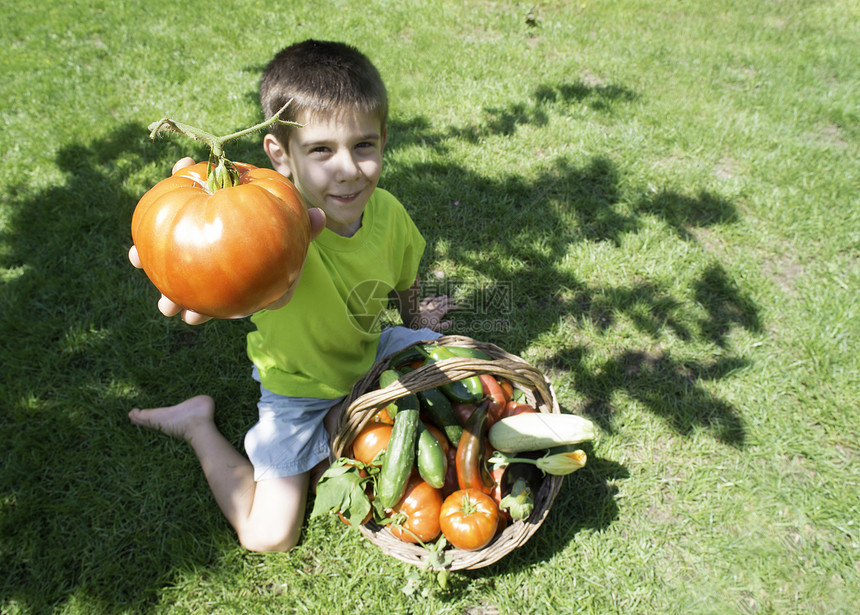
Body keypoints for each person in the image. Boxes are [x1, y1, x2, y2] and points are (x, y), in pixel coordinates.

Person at [127, 40, 455, 552]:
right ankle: (195, 423)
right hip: (298, 390)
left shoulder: (390, 214)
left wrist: (419, 324)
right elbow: (239, 269)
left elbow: (405, 277)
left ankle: (340, 427)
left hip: (370, 353)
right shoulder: (275, 227)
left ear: (384, 140)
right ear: (280, 154)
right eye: (321, 150)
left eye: (364, 145)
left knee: (463, 377)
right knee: (268, 536)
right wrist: (189, 245)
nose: (347, 169)